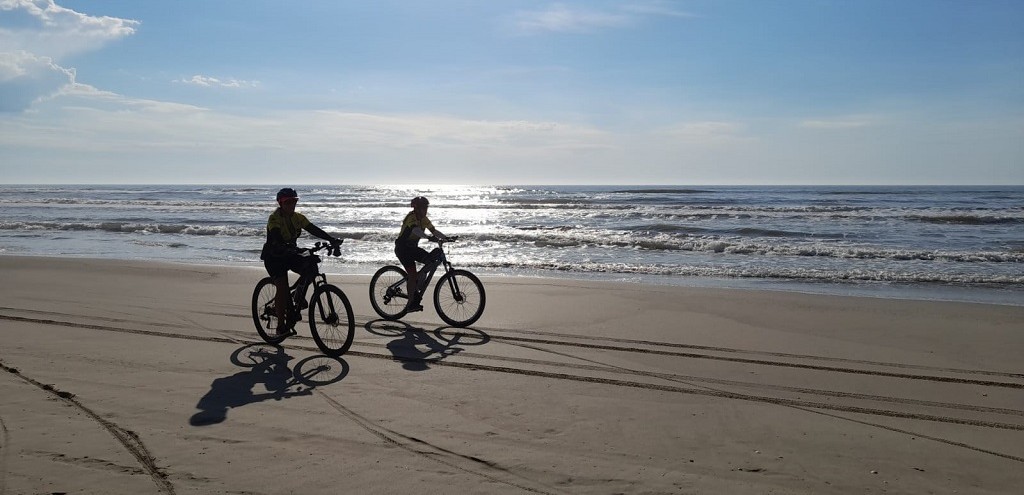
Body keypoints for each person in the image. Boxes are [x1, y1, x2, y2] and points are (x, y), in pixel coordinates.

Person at [261, 187, 343, 335]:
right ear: (280, 203)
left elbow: (313, 229)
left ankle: (298, 296)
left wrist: (332, 239)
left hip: (289, 253)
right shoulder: (274, 218)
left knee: (309, 266)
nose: (291, 204)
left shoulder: (298, 217)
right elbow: (276, 235)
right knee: (282, 287)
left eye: (294, 201)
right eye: (288, 202)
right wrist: (287, 246)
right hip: (274, 256)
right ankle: (280, 327)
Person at [394, 196, 449, 312]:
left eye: (426, 208)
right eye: (424, 208)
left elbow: (434, 231)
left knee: (430, 260)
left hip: (413, 248)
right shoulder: (411, 217)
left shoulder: (424, 219)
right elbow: (416, 230)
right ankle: (410, 304)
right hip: (402, 249)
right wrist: (428, 238)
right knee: (412, 275)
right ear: (417, 209)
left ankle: (417, 282)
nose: (426, 210)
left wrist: (446, 238)